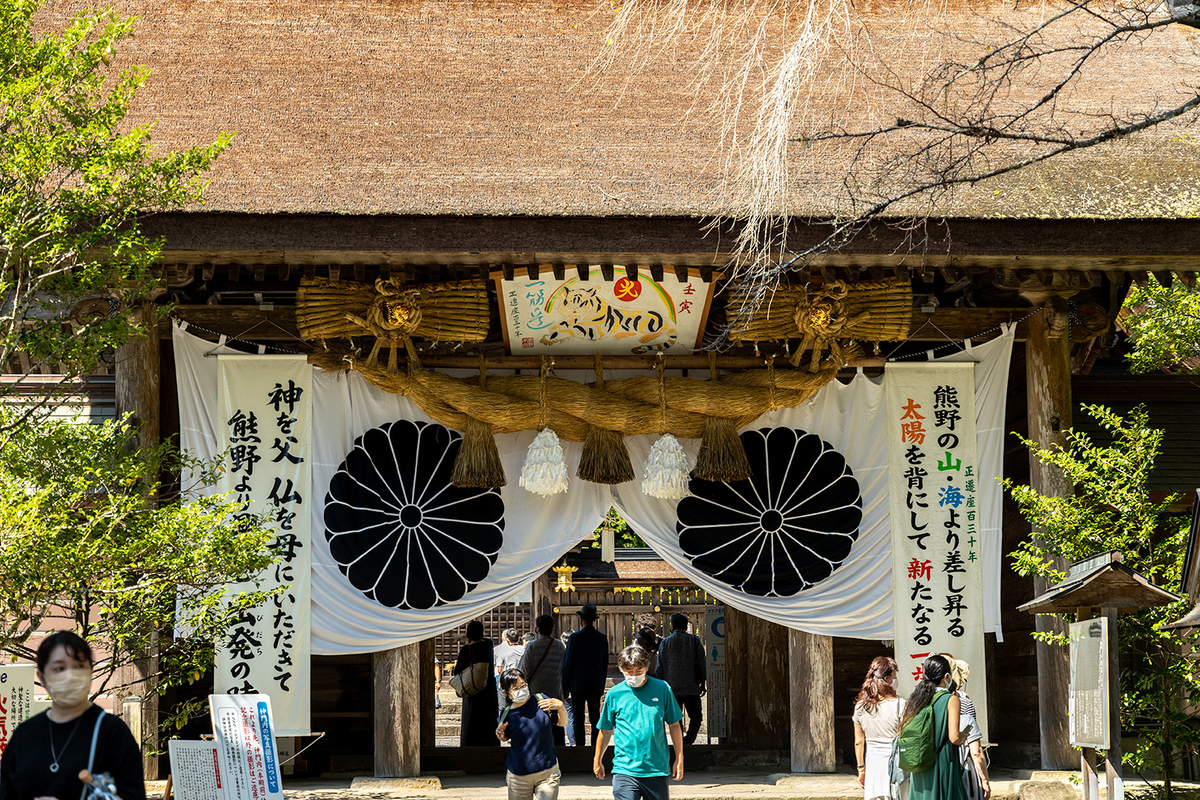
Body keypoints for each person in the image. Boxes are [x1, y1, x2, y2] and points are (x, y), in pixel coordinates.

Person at [0, 631, 145, 800]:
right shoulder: (25, 734)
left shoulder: (112, 732)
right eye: (59, 668)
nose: (70, 676)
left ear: (90, 672)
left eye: (79, 666)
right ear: (42, 677)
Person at [594, 645, 684, 800]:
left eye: (639, 671)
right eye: (629, 671)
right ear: (622, 670)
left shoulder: (662, 688)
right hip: (624, 769)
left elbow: (674, 725)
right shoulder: (614, 694)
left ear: (647, 668)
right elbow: (605, 730)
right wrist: (597, 760)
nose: (634, 675)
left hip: (656, 769)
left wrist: (679, 758)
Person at [903, 655, 968, 800]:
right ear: (946, 676)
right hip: (943, 759)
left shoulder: (916, 698)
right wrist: (964, 735)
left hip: (920, 759)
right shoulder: (951, 699)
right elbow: (954, 737)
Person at [496, 668, 567, 800]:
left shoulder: (542, 701)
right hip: (518, 777)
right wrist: (500, 734)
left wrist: (560, 706)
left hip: (547, 772)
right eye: (515, 688)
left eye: (523, 685)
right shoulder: (506, 714)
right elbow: (504, 736)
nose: (521, 690)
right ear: (506, 693)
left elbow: (562, 723)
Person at [852, 656, 907, 800]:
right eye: (894, 675)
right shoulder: (901, 705)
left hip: (873, 766)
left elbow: (859, 742)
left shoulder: (860, 707)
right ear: (888, 679)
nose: (896, 679)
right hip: (897, 766)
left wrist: (861, 769)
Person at [562, 604, 609, 747]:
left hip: (578, 684)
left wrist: (565, 685)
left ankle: (580, 747)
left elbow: (568, 663)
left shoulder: (575, 638)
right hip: (595, 683)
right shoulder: (601, 638)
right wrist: (601, 684)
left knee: (578, 717)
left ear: (581, 618)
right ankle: (595, 746)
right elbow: (604, 664)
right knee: (595, 717)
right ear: (594, 619)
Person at [655, 613, 706, 746]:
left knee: (674, 717)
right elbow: (701, 662)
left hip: (672, 687)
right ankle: (689, 739)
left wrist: (660, 686)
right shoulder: (694, 640)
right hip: (691, 685)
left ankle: (678, 740)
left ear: (673, 625)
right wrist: (702, 682)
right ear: (686, 626)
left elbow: (660, 667)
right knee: (696, 716)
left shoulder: (665, 642)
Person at [944, 658, 990, 800]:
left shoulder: (926, 703)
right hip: (964, 765)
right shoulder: (964, 702)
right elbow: (975, 750)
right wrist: (985, 780)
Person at [518, 614, 567, 745]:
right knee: (556, 731)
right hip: (555, 694)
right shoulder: (559, 646)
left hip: (536, 696)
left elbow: (523, 672)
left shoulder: (532, 646)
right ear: (553, 628)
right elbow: (564, 669)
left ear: (537, 628)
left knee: (537, 732)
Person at [454, 620, 500, 746]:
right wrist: (466, 637)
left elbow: (457, 671)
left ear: (469, 634)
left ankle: (469, 748)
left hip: (472, 690)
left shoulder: (465, 650)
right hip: (488, 690)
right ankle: (490, 747)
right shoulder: (488, 645)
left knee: (471, 722)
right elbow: (484, 640)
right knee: (489, 721)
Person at [496, 629, 526, 707]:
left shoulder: (503, 650)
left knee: (503, 707)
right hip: (521, 680)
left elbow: (500, 670)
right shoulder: (524, 650)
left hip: (508, 680)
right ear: (519, 639)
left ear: (507, 640)